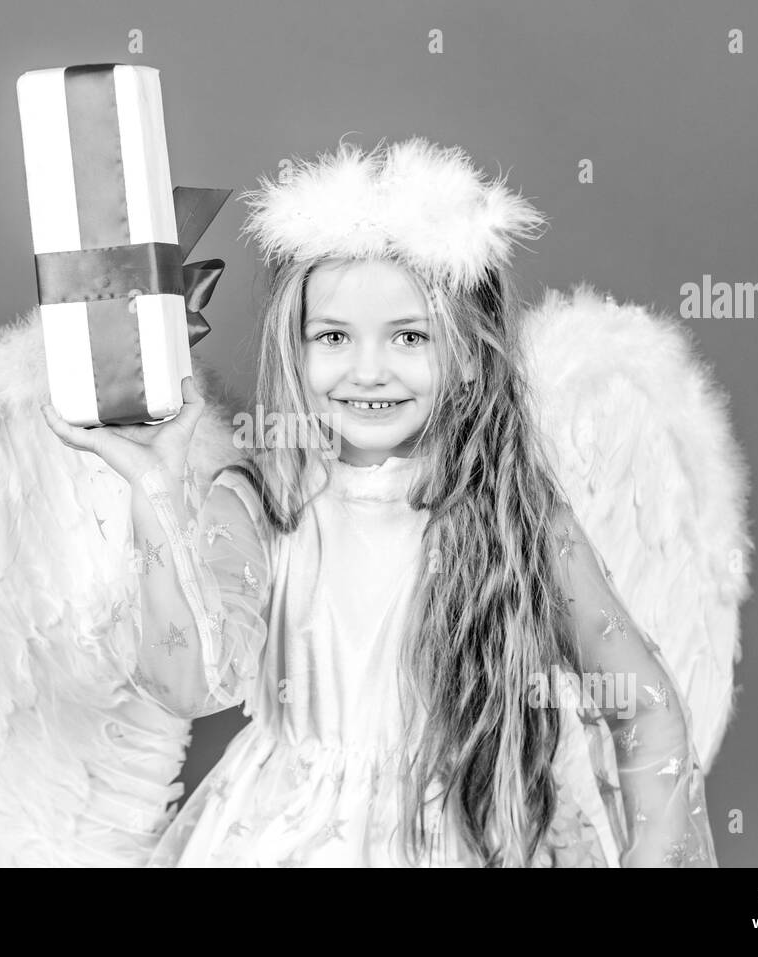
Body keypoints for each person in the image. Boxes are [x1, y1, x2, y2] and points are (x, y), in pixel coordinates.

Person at [41, 137, 717, 867]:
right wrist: (151, 486)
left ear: (466, 352)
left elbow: (644, 705)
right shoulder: (260, 500)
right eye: (334, 335)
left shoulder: (517, 516)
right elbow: (185, 680)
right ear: (294, 347)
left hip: (480, 830)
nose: (368, 371)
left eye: (409, 337)